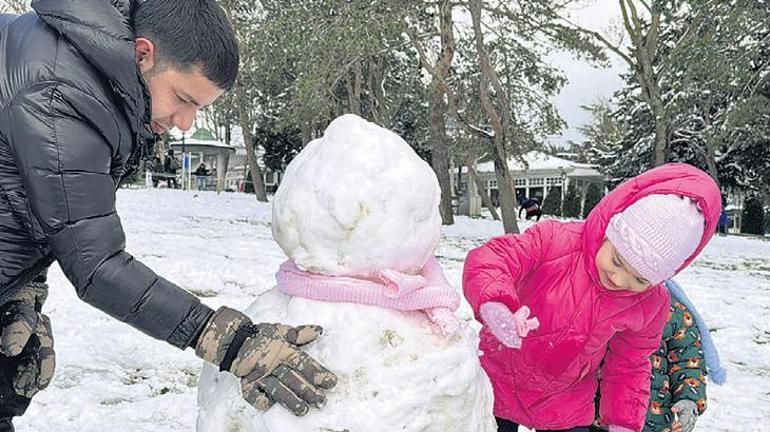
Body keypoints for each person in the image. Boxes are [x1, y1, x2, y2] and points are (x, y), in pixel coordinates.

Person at [0, 1, 336, 430]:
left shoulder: (86, 72)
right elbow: (97, 265)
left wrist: (21, 293)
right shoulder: (60, 93)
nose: (185, 123)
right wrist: (230, 342)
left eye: (198, 108)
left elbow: (30, 199)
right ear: (143, 53)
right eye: (182, 99)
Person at [463, 163, 721, 432]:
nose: (620, 280)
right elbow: (495, 258)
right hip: (498, 377)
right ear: (610, 228)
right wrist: (496, 304)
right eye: (617, 261)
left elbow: (628, 366)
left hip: (564, 400)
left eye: (640, 279)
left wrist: (623, 422)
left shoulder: (650, 304)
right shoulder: (556, 240)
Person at [590, 279, 726, 432]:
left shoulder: (673, 311)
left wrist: (689, 398)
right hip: (599, 418)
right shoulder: (598, 301)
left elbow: (687, 360)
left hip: (655, 419)